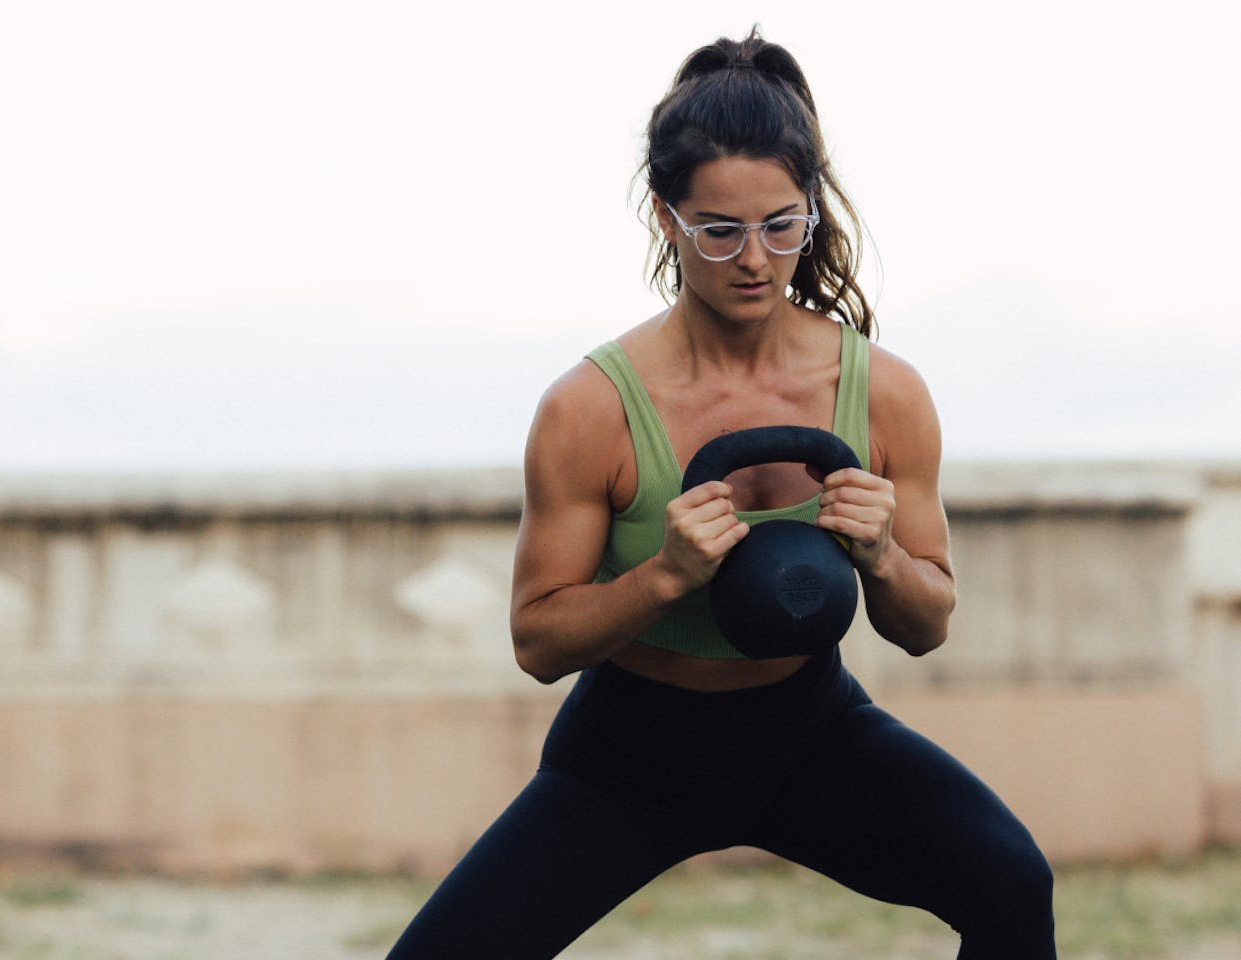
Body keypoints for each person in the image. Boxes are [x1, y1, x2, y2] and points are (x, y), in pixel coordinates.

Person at [387, 28, 1056, 960]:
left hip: (810, 730)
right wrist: (661, 576)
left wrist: (881, 555)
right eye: (721, 230)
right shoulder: (591, 409)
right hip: (633, 751)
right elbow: (538, 642)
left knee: (1013, 885)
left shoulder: (884, 391)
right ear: (666, 219)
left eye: (783, 224)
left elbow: (927, 622)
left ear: (811, 209)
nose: (756, 259)